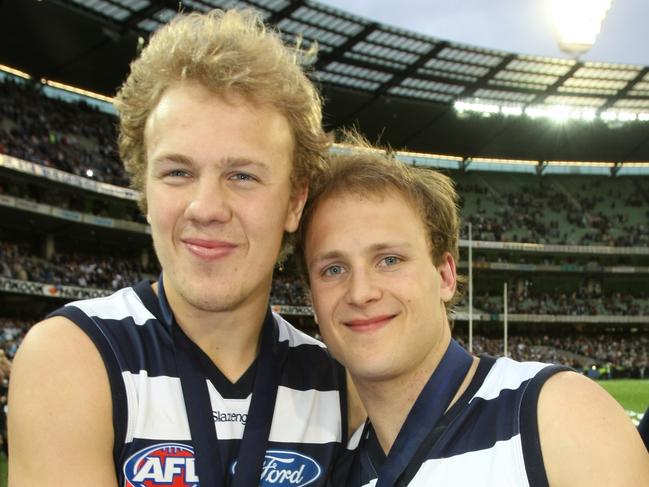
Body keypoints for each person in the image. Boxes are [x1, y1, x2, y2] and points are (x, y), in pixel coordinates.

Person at [9, 9, 363, 486]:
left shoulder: (342, 385)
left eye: (242, 175)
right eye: (178, 172)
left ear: (294, 203)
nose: (206, 207)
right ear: (146, 193)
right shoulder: (74, 356)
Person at [297, 138, 649, 486]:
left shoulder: (556, 416)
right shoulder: (332, 470)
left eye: (390, 260)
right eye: (333, 269)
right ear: (313, 300)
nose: (360, 292)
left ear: (446, 276)